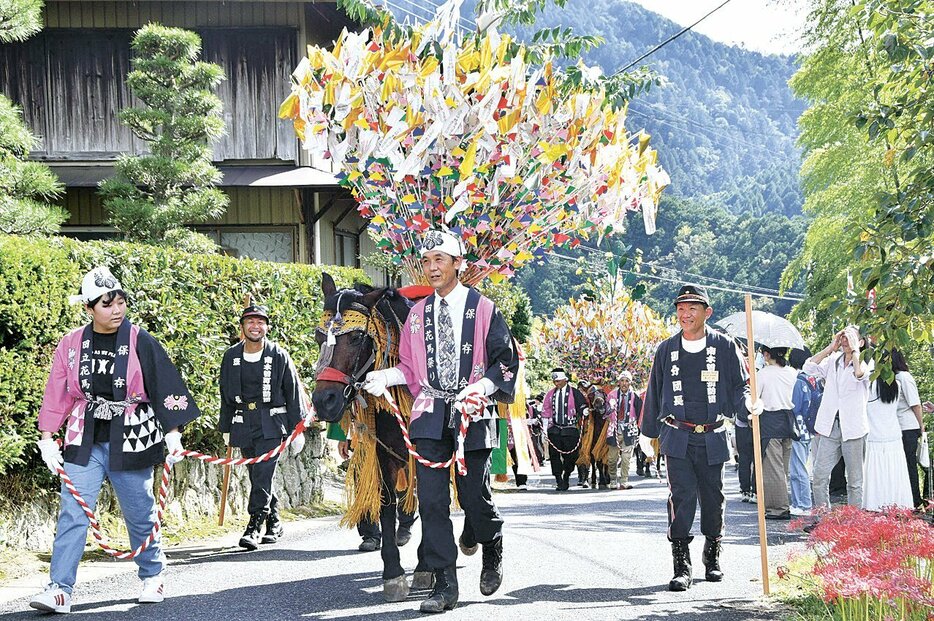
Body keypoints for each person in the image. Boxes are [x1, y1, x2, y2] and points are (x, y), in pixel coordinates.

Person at [361, 229, 519, 614]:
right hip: (430, 411)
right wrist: (386, 377)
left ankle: (491, 542)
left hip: (472, 411)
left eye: (439, 261)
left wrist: (482, 385)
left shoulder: (484, 309)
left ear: (458, 265)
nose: (431, 268)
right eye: (427, 261)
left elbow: (505, 360)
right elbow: (410, 368)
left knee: (473, 497)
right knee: (431, 501)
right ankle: (445, 583)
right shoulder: (418, 315)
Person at [31, 267, 200, 613]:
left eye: (120, 301)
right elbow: (57, 392)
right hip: (84, 434)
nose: (116, 310)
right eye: (107, 304)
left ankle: (153, 574)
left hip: (132, 430)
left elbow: (165, 383)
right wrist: (48, 436)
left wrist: (173, 432)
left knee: (139, 511)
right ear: (89, 308)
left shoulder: (140, 339)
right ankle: (60, 588)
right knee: (74, 511)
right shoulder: (71, 343)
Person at [640, 284, 752, 592]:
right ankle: (682, 565)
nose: (685, 314)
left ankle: (712, 555)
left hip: (713, 435)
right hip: (677, 435)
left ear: (707, 312)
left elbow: (740, 386)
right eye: (680, 308)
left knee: (713, 500)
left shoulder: (725, 346)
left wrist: (749, 405)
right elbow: (654, 390)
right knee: (681, 499)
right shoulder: (666, 349)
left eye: (692, 308)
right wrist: (646, 433)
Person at [218, 303, 308, 551]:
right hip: (243, 423)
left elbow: (293, 392)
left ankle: (254, 525)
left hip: (271, 423)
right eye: (250, 322)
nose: (255, 327)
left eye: (260, 322)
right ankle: (275, 521)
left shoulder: (278, 355)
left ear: (266, 327)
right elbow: (224, 394)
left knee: (263, 474)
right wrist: (226, 427)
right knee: (256, 475)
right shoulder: (231, 356)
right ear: (242, 327)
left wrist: (297, 429)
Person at [803, 326, 870, 509]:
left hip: (854, 428)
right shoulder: (833, 361)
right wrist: (830, 348)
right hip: (830, 425)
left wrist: (855, 350)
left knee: (855, 481)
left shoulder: (866, 362)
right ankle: (822, 518)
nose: (845, 340)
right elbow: (808, 367)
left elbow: (859, 374)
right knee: (819, 475)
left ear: (861, 342)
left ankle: (853, 522)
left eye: (850, 337)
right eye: (843, 337)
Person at [337, 440, 418, 550]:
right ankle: (370, 535)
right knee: (364, 484)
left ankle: (405, 523)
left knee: (403, 479)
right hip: (365, 434)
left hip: (399, 435)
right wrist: (342, 436)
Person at [862, 370, 914, 511]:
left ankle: (874, 504)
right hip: (893, 435)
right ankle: (899, 503)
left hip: (874, 436)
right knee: (895, 474)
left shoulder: (868, 386)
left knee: (876, 475)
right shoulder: (896, 384)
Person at [756, 346, 798, 520]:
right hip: (788, 421)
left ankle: (778, 507)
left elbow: (754, 398)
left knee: (773, 468)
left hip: (770, 421)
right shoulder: (792, 372)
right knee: (783, 468)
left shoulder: (763, 374)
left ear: (767, 354)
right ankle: (780, 504)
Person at [541, 369, 588, 491]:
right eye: (554, 381)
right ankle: (558, 479)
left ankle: (566, 475)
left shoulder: (575, 392)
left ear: (564, 380)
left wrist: (584, 411)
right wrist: (545, 430)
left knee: (571, 456)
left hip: (570, 429)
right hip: (555, 429)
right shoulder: (550, 394)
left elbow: (582, 404)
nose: (556, 384)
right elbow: (545, 411)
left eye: (558, 381)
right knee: (554, 455)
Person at [892, 350, 926, 509]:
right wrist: (921, 425)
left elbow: (914, 404)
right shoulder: (903, 377)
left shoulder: (896, 378)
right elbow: (915, 404)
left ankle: (912, 499)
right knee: (908, 464)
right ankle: (913, 498)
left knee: (907, 464)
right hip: (906, 426)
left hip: (902, 426)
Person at [788, 348, 815, 516]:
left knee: (798, 469)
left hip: (797, 429)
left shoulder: (798, 382)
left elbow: (795, 407)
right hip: (807, 429)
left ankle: (803, 504)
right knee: (800, 467)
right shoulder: (810, 380)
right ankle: (800, 503)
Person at [606, 372, 643, 490]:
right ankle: (612, 479)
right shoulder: (611, 395)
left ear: (630, 383)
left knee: (626, 458)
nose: (624, 384)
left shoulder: (635, 396)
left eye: (627, 381)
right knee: (612, 459)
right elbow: (605, 413)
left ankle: (624, 481)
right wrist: (609, 410)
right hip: (614, 429)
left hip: (629, 429)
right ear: (618, 382)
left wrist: (639, 429)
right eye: (622, 380)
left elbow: (640, 413)